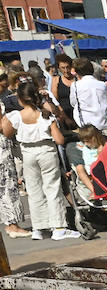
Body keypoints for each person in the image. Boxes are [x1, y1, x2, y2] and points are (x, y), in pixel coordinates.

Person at [2, 81, 79, 240]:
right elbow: (59, 140)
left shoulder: (16, 115)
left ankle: (39, 227)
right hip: (46, 151)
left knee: (34, 190)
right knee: (52, 188)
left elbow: (8, 133)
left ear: (20, 99)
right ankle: (58, 227)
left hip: (28, 152)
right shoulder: (45, 115)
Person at [0, 72, 24, 237]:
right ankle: (12, 224)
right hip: (2, 146)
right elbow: (3, 127)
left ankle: (11, 223)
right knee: (8, 183)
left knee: (5, 185)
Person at [69, 57, 107, 138]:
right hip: (105, 125)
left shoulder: (75, 85)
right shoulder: (102, 85)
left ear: (77, 72)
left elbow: (73, 103)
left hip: (88, 128)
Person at [48, 54, 74, 123]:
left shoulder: (78, 79)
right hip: (65, 116)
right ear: (59, 68)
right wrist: (65, 118)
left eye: (68, 67)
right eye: (63, 68)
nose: (66, 70)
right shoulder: (56, 81)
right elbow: (55, 101)